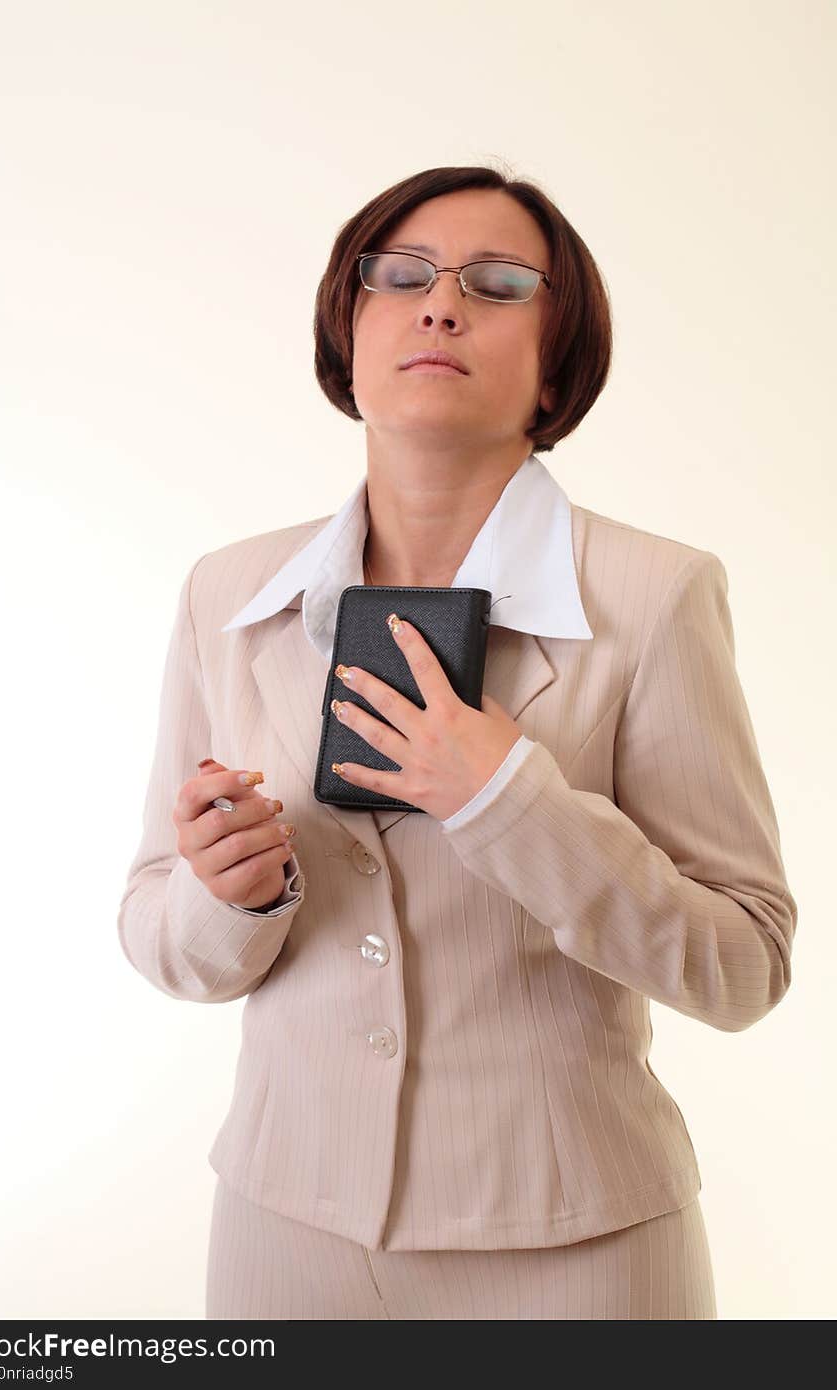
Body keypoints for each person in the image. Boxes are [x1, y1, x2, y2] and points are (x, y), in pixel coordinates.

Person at [117, 163, 797, 1320]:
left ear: (556, 364)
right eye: (403, 275)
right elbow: (156, 932)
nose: (441, 305)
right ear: (350, 327)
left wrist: (511, 803)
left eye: (497, 283)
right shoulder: (227, 593)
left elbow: (745, 964)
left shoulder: (655, 593)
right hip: (288, 1230)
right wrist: (220, 896)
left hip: (576, 1245)